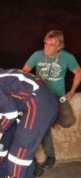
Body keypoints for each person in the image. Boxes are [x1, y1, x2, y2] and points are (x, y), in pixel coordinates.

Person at [22, 30, 81, 169]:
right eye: (45, 44)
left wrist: (72, 91)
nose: (46, 47)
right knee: (44, 126)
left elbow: (78, 72)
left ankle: (51, 120)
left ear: (59, 47)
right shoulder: (37, 55)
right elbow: (23, 71)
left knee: (68, 121)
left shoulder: (67, 57)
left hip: (57, 96)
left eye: (51, 45)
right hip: (40, 97)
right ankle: (50, 156)